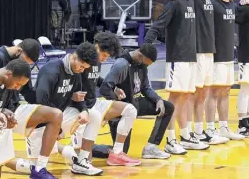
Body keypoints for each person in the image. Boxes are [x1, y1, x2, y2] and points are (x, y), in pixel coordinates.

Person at [144, 0, 209, 154]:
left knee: (186, 97)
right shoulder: (174, 3)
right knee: (173, 100)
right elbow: (158, 26)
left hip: (190, 58)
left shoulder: (193, 0)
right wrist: (146, 47)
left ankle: (186, 135)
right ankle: (170, 139)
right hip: (177, 58)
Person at [0, 38, 63, 179]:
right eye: (24, 61)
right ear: (18, 50)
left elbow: (28, 93)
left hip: (12, 109)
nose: (25, 65)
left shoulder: (21, 68)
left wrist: (44, 112)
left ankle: (39, 169)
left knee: (54, 115)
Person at [166, 0, 229, 145]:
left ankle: (201, 131)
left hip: (210, 51)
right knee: (189, 94)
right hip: (197, 51)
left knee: (203, 93)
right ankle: (188, 132)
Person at [26, 42, 105, 176]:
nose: (82, 70)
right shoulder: (51, 71)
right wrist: (58, 129)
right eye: (81, 66)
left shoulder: (76, 72)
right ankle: (41, 165)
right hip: (40, 122)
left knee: (94, 115)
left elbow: (79, 97)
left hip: (60, 117)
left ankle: (81, 161)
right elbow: (41, 102)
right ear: (74, 56)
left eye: (85, 68)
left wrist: (84, 110)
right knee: (30, 168)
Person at [70, 32, 141, 165]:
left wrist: (114, 89)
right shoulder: (82, 58)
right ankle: (66, 150)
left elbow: (94, 79)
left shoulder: (97, 61)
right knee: (85, 161)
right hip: (80, 108)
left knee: (130, 110)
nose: (104, 59)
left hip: (94, 104)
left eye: (107, 57)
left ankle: (117, 153)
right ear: (97, 46)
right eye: (103, 56)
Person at [99, 43, 175, 158]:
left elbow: (145, 88)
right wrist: (115, 108)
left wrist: (158, 99)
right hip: (123, 110)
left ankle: (151, 147)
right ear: (140, 56)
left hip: (136, 104)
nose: (146, 66)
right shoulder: (121, 64)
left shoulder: (141, 65)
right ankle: (86, 147)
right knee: (120, 152)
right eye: (146, 63)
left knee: (167, 107)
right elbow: (105, 88)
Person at [205, 0, 244, 140]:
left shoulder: (232, 5)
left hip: (229, 56)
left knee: (226, 91)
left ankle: (223, 127)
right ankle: (209, 128)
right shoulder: (213, 5)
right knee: (214, 92)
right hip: (216, 56)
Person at [236, 0, 249, 137]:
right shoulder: (247, 7)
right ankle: (242, 124)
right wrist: (239, 4)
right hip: (247, 55)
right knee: (246, 89)